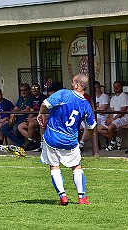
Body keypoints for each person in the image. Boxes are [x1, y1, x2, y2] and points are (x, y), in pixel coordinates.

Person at [37, 74, 96, 206]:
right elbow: (91, 126)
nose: (71, 83)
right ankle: (81, 198)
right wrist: (88, 137)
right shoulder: (86, 105)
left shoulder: (64, 94)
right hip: (70, 140)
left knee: (54, 166)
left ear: (77, 85)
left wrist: (41, 113)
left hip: (52, 137)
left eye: (73, 82)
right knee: (76, 166)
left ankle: (63, 197)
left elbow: (45, 104)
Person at [97, 81, 128, 151]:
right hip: (115, 119)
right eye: (114, 86)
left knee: (110, 127)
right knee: (98, 129)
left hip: (124, 119)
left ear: (122, 87)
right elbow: (111, 112)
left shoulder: (125, 96)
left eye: (117, 86)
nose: (116, 88)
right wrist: (108, 119)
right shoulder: (113, 98)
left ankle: (112, 144)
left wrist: (112, 120)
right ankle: (116, 139)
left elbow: (122, 112)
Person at [79, 81, 109, 151]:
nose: (95, 89)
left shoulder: (104, 96)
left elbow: (102, 111)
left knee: (88, 125)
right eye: (93, 88)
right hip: (94, 117)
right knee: (77, 125)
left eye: (96, 87)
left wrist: (95, 109)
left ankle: (81, 144)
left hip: (103, 118)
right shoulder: (93, 97)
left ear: (100, 87)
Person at [18, 83, 47, 151]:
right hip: (33, 118)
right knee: (20, 126)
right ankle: (33, 142)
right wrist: (29, 119)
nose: (34, 90)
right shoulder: (31, 98)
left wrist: (32, 119)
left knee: (31, 124)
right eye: (32, 89)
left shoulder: (43, 98)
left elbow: (43, 112)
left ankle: (34, 143)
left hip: (41, 117)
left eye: (36, 88)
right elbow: (31, 110)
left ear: (39, 89)